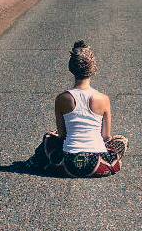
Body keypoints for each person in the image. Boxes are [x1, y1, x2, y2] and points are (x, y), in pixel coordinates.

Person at [27, 41, 127, 177]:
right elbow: (106, 136)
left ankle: (40, 163)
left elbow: (62, 135)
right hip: (97, 163)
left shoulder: (61, 98)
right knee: (122, 140)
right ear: (93, 68)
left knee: (49, 137)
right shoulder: (103, 99)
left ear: (71, 68)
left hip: (68, 164)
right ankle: (108, 165)